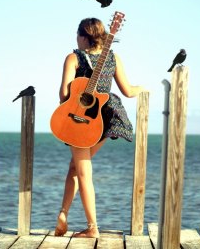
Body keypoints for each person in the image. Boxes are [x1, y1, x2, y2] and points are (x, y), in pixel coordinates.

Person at [54, 17, 145, 238]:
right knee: (75, 168)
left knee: (83, 172)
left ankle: (92, 228)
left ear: (84, 37)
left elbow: (63, 95)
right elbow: (128, 91)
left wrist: (78, 92)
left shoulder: (73, 58)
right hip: (105, 116)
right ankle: (63, 214)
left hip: (81, 118)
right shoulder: (113, 58)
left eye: (77, 35)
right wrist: (145, 88)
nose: (76, 40)